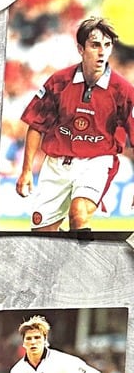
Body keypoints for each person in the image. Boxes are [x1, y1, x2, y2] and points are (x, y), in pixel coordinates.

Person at [16, 15, 134, 232]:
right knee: (43, 234)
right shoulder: (59, 81)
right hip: (56, 164)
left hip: (97, 162)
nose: (102, 52)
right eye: (95, 45)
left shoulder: (124, 91)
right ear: (81, 49)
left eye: (107, 45)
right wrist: (26, 170)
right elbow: (36, 125)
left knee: (78, 214)